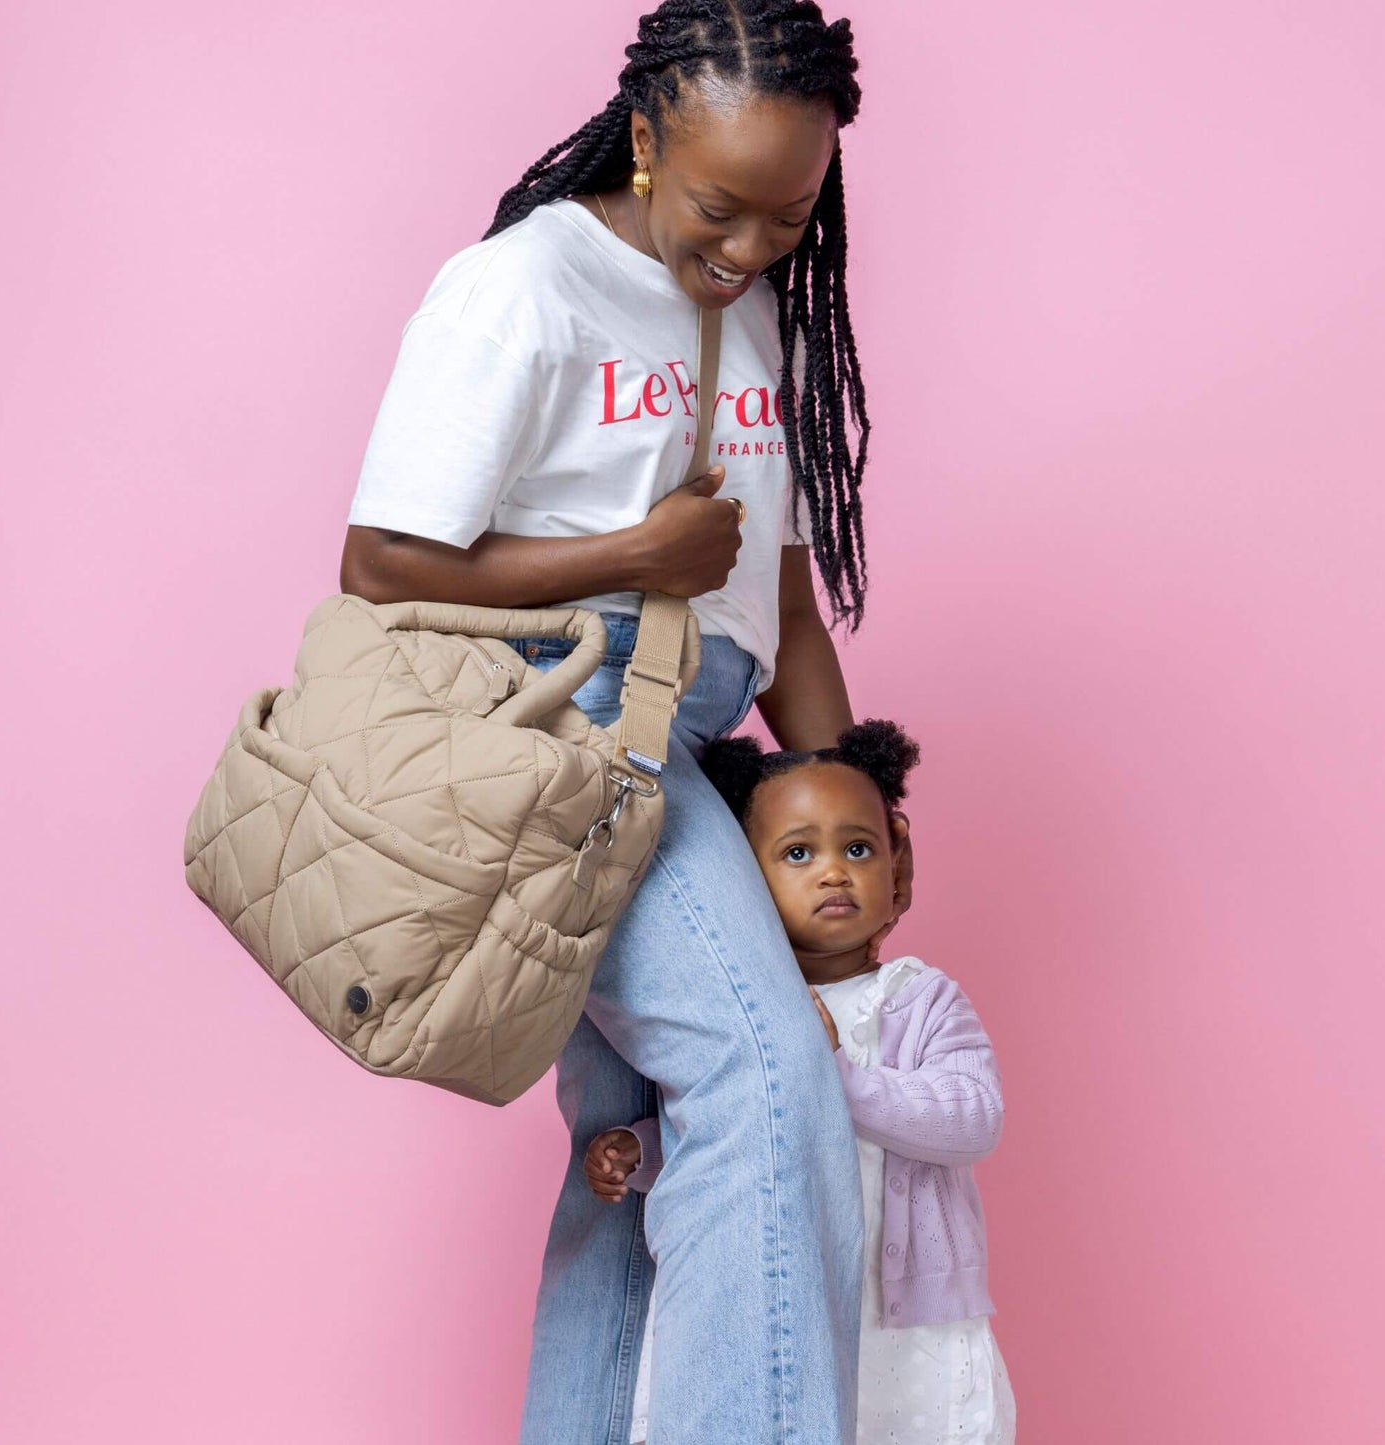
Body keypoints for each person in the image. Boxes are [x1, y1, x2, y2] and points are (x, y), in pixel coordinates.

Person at [338, 3, 913, 1439]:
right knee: (762, 1084)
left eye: (791, 214)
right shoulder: (520, 287)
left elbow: (775, 609)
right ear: (647, 137)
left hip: (699, 742)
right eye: (725, 207)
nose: (754, 247)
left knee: (631, 1154)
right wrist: (627, 558)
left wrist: (831, 795)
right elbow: (383, 560)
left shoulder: (759, 310)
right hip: (571, 734)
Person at [585, 723, 1017, 1444]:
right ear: (741, 884)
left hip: (901, 1315)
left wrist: (834, 1077)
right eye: (797, 852)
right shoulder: (732, 1011)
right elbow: (722, 1127)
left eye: (857, 848)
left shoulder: (918, 998)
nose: (833, 872)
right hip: (787, 1286)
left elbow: (973, 1118)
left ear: (896, 869)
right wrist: (640, 1152)